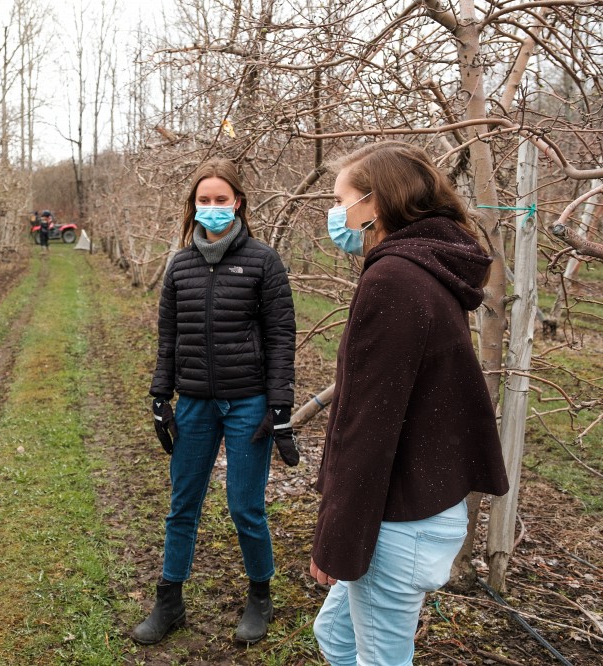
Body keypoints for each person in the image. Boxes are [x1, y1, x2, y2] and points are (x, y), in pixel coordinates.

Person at [310, 141, 509, 665]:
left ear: (374, 204)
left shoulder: (394, 279)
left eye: (341, 200)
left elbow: (367, 424)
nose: (336, 214)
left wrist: (337, 539)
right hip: (423, 504)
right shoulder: (429, 267)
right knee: (335, 636)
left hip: (395, 520)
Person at [135, 157, 297, 646]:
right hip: (196, 405)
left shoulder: (263, 261)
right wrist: (161, 396)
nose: (212, 209)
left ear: (238, 203)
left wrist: (280, 407)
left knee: (245, 507)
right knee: (182, 505)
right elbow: (169, 337)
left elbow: (281, 335)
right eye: (203, 201)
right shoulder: (180, 265)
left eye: (221, 200)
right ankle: (170, 601)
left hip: (248, 404)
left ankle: (260, 596)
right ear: (194, 205)